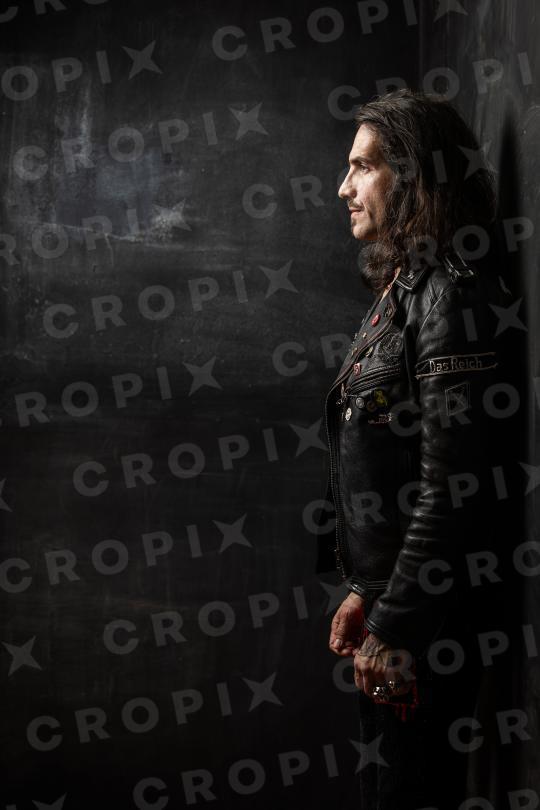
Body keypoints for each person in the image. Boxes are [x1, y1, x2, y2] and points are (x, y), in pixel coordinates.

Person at [316, 88, 515, 809]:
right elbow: (394, 462)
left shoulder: (447, 297)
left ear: (415, 176)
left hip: (432, 625)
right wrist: (368, 592)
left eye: (363, 167)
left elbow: (453, 486)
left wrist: (398, 625)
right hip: (403, 607)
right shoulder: (404, 288)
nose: (344, 189)